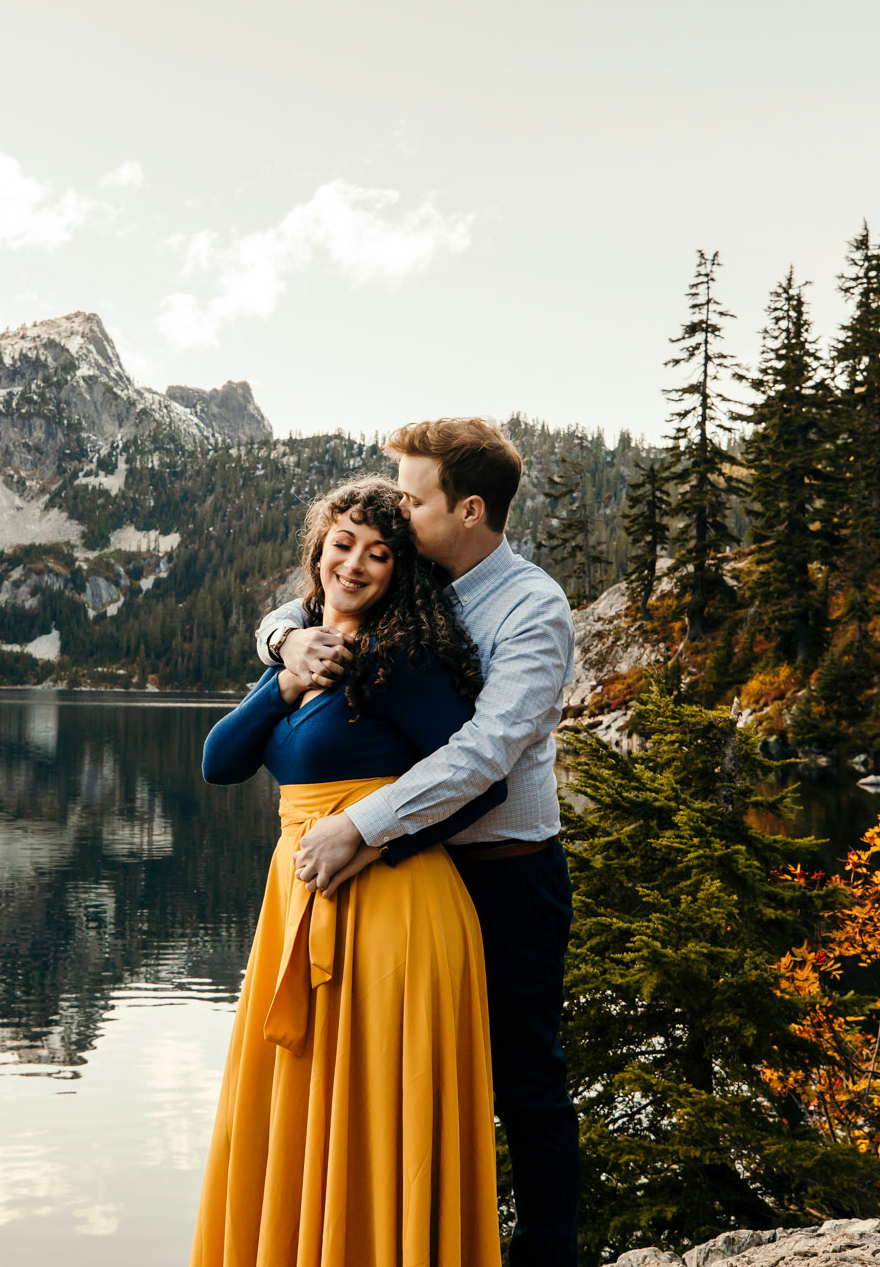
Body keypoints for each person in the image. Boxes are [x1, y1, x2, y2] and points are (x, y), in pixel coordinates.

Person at [258, 418, 578, 1267]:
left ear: (469, 509)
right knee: (404, 1082)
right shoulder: (413, 578)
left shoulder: (533, 607)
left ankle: (545, 1254)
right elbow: (303, 603)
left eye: (412, 494)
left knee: (524, 1080)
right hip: (405, 882)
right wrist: (284, 639)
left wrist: (358, 825)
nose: (398, 507)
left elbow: (483, 753)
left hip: (505, 878)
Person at [193, 477, 507, 1267]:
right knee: (294, 1113)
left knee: (374, 1115)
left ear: (402, 570)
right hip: (298, 904)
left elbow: (485, 780)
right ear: (317, 550)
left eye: (379, 554)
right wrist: (284, 675)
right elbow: (218, 761)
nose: (356, 565)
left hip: (394, 916)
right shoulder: (301, 649)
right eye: (342, 546)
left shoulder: (400, 662)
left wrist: (377, 842)